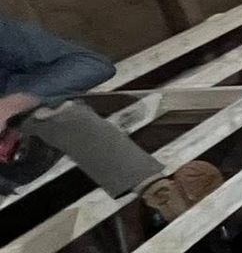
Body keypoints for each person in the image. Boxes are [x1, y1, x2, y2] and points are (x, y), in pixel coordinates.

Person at [0, 16, 163, 196]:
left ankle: (159, 194)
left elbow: (90, 64)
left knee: (56, 112)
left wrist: (12, 105)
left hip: (29, 144)